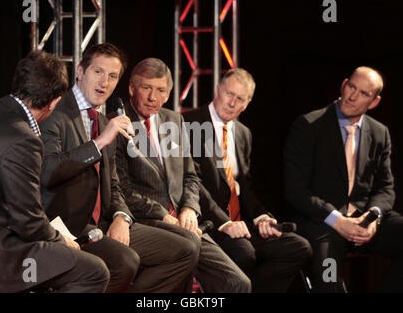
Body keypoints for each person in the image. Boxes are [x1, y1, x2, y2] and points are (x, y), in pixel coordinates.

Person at [39, 43, 198, 293]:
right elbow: (48, 172)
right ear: (80, 71)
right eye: (98, 72)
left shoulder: (104, 119)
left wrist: (121, 216)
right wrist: (100, 141)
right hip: (67, 224)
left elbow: (112, 182)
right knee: (126, 261)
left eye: (113, 76)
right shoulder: (56, 110)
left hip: (105, 220)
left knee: (185, 250)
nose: (105, 82)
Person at [0, 51, 108, 293]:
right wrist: (62, 241)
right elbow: (27, 222)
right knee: (93, 271)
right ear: (53, 102)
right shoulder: (24, 140)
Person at [115, 57, 251, 293]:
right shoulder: (117, 122)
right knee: (185, 260)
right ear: (132, 88)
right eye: (146, 88)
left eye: (160, 91)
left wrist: (189, 208)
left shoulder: (174, 120)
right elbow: (122, 188)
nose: (152, 97)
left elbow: (190, 176)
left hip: (186, 222)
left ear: (168, 94)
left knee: (238, 283)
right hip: (149, 221)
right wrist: (165, 217)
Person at [182, 68, 312, 292]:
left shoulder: (243, 133)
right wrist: (225, 222)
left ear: (247, 103)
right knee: (244, 252)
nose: (232, 103)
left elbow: (244, 187)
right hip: (210, 223)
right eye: (229, 93)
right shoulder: (188, 122)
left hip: (241, 224)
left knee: (299, 247)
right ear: (218, 90)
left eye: (240, 99)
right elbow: (192, 184)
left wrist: (262, 217)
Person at [284, 66, 403, 292]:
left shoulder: (380, 133)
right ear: (344, 84)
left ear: (375, 101)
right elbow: (295, 190)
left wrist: (373, 217)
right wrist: (337, 220)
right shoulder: (308, 125)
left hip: (364, 219)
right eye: (351, 87)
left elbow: (386, 188)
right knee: (328, 274)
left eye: (364, 94)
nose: (352, 96)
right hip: (324, 222)